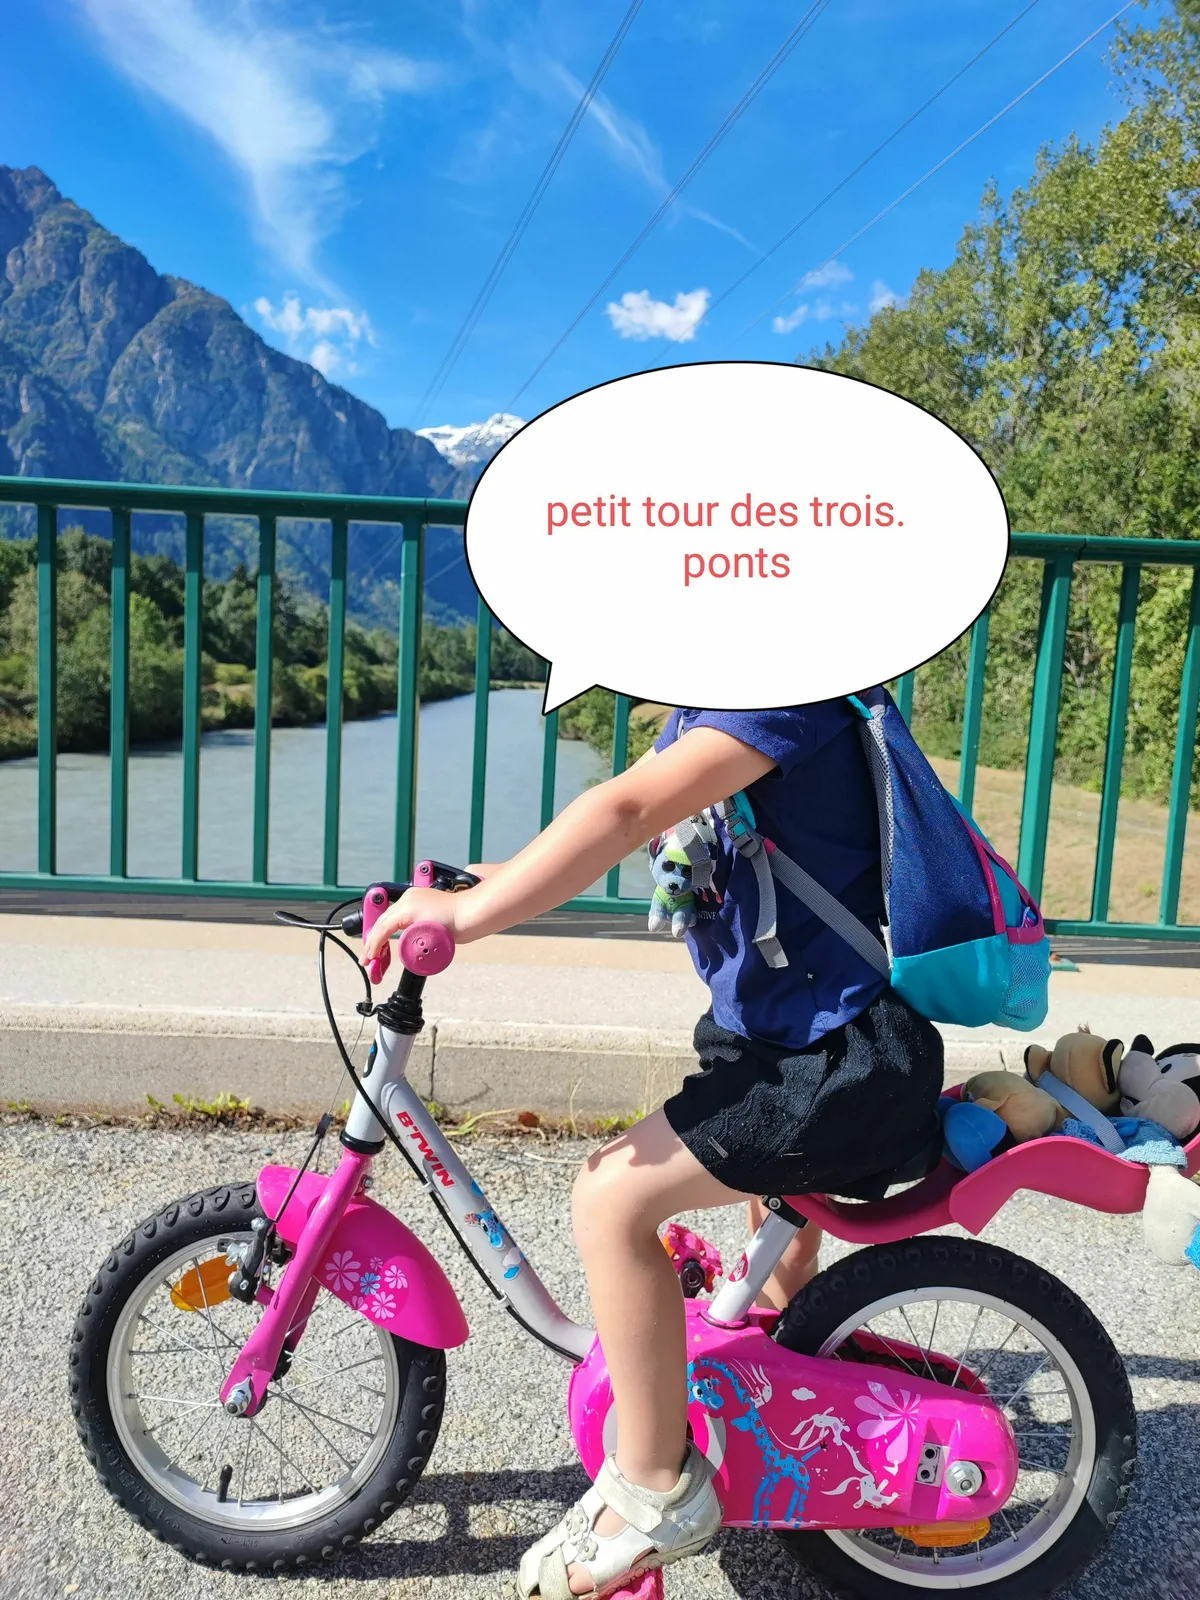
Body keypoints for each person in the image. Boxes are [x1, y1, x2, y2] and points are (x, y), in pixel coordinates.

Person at [363, 701, 945, 1599]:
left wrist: (469, 917)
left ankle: (653, 1491)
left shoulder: (779, 694)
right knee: (764, 1230)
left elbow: (625, 809)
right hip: (788, 1041)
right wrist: (476, 884)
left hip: (836, 1059)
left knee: (610, 1199)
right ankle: (783, 1386)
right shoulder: (714, 712)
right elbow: (629, 829)